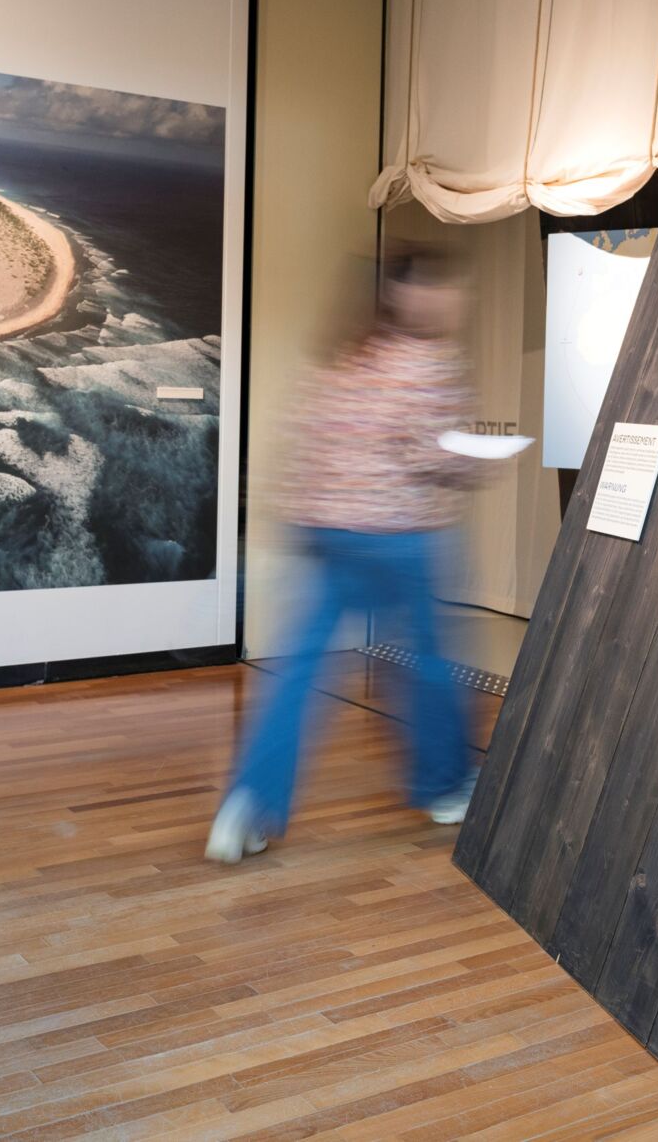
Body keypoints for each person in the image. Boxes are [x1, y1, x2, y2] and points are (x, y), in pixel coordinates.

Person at [207, 246, 488, 865]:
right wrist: (478, 459)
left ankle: (247, 804)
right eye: (446, 288)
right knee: (430, 663)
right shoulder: (427, 360)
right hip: (403, 536)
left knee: (302, 675)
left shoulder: (342, 357)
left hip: (325, 533)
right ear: (410, 295)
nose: (455, 301)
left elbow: (304, 449)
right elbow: (437, 455)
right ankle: (443, 787)